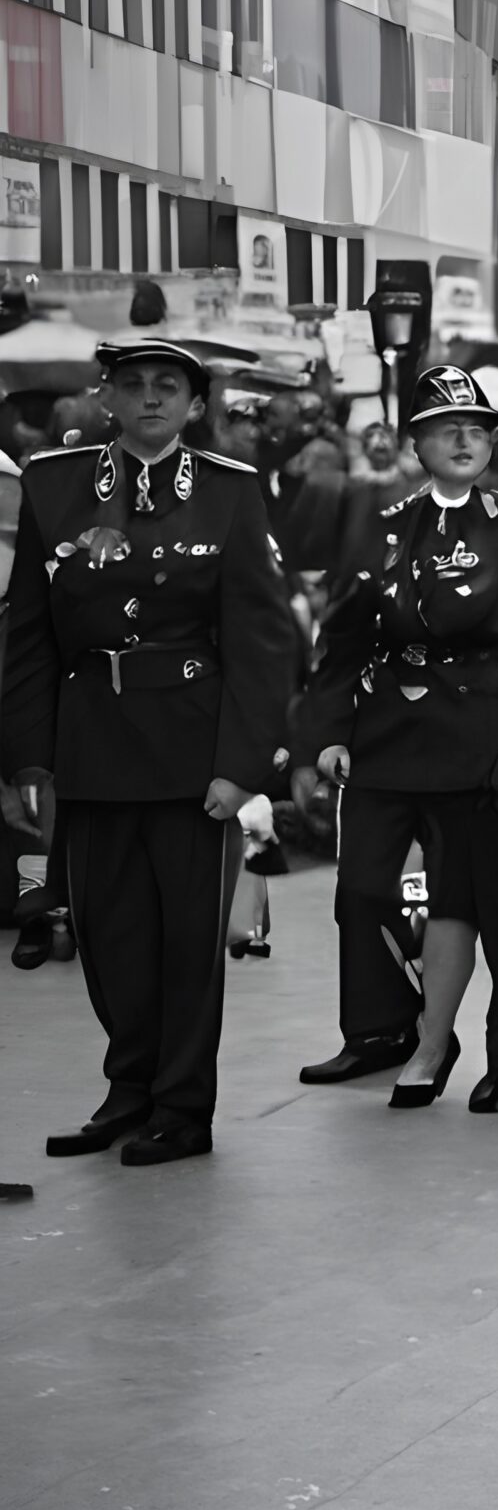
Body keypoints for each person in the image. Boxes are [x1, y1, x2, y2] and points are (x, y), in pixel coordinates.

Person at [0, 342, 297, 1163]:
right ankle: (127, 1091)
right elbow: (27, 629)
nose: (151, 399)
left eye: (169, 387)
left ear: (196, 406)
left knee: (186, 946)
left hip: (189, 754)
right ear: (107, 400)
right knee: (106, 935)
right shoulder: (54, 485)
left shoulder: (231, 495)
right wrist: (28, 754)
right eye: (133, 386)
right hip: (92, 744)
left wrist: (242, 768)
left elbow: (264, 643)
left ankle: (182, 1107)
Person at [302, 367, 498, 1112]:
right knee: (361, 891)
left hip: (476, 744)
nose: (462, 439)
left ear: (492, 444)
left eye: (476, 428)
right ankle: (386, 1028)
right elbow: (342, 638)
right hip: (386, 736)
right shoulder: (381, 524)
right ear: (415, 441)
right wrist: (327, 731)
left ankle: (482, 1055)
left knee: (476, 911)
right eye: (446, 427)